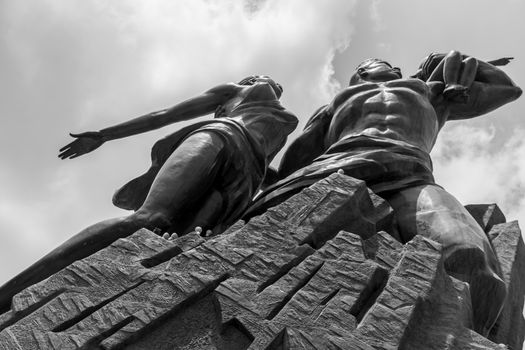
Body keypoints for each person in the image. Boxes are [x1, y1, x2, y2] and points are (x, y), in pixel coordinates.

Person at [245, 51, 522, 336]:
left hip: (410, 176)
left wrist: (467, 60)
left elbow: (507, 90)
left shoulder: (428, 91)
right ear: (361, 71)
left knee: (467, 252)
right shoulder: (336, 104)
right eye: (386, 64)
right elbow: (294, 162)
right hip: (335, 169)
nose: (397, 67)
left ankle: (449, 337)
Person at [0, 75, 298, 311]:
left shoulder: (284, 122)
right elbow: (167, 114)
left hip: (245, 180)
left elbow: (272, 173)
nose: (273, 85)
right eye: (265, 79)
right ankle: (13, 291)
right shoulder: (238, 91)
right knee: (150, 219)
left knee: (175, 249)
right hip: (222, 137)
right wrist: (105, 134)